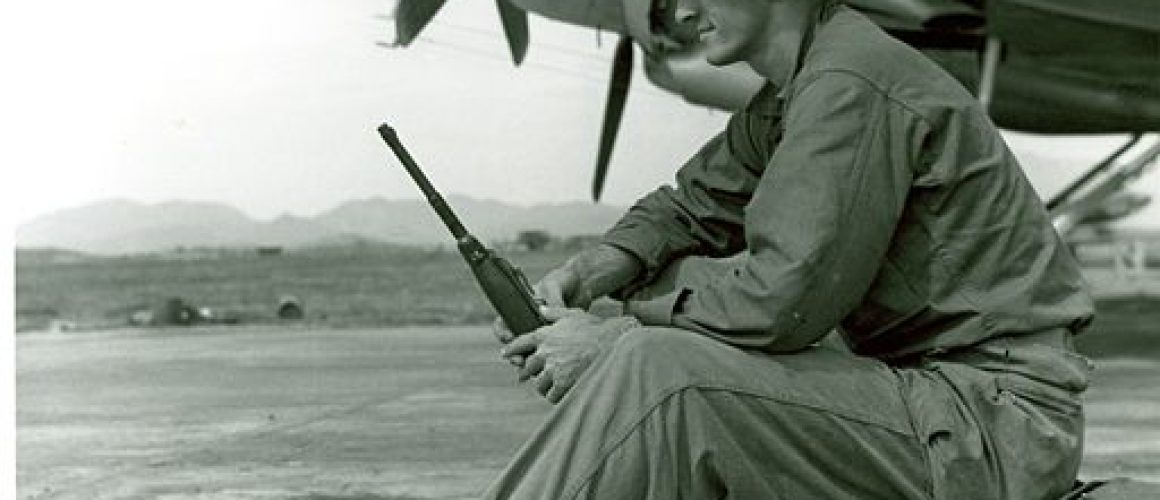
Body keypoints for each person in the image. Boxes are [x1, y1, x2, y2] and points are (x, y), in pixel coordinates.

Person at [488, 0, 1095, 498]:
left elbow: (783, 300)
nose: (679, 12)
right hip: (935, 399)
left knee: (663, 372)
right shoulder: (799, 89)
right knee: (665, 299)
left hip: (991, 427)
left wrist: (614, 337)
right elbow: (692, 204)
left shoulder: (848, 80)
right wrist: (590, 272)